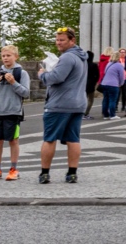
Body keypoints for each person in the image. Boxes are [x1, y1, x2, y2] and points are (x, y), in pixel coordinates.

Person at [37, 26, 86, 184]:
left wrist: (42, 75)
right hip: (78, 103)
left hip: (59, 104)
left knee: (49, 138)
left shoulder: (67, 57)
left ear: (72, 41)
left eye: (62, 40)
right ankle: (72, 173)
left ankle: (44, 173)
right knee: (73, 139)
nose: (58, 43)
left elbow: (56, 77)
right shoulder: (81, 57)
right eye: (57, 40)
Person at [0, 45, 29, 180]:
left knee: (13, 140)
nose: (5, 58)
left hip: (13, 112)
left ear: (15, 56)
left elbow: (26, 93)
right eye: (3, 56)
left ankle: (13, 168)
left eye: (8, 55)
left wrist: (14, 83)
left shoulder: (21, 73)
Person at [98, 50, 124, 119]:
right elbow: (121, 76)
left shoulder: (109, 64)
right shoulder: (119, 65)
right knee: (112, 100)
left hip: (104, 84)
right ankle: (112, 114)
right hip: (113, 84)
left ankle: (105, 115)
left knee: (105, 100)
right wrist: (121, 83)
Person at [84, 49, 99, 118]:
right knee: (90, 99)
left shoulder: (82, 64)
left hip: (82, 83)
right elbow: (97, 75)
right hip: (91, 84)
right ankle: (86, 113)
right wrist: (95, 81)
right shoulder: (94, 65)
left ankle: (81, 112)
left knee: (83, 99)